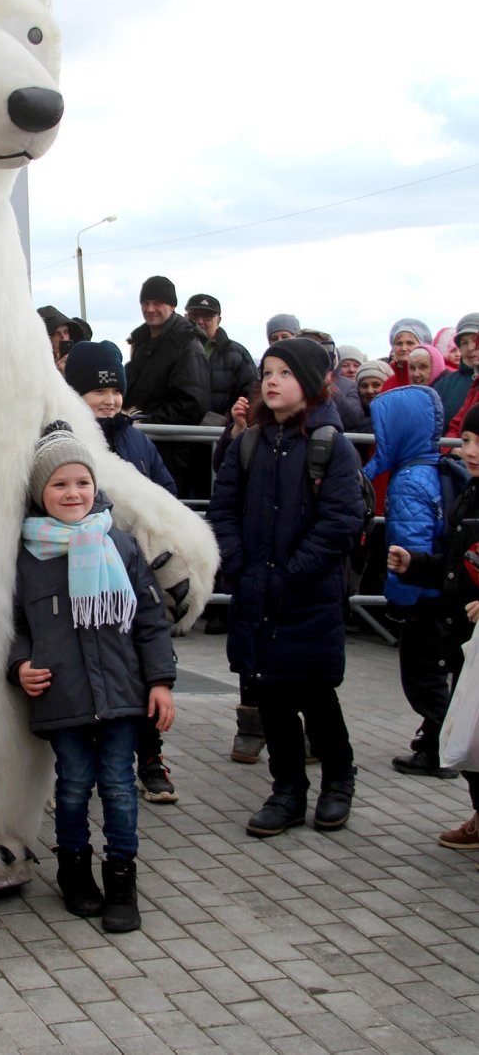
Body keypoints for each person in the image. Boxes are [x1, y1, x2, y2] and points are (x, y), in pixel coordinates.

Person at [8, 421, 176, 933]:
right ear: (41, 493)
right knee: (75, 787)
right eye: (59, 484)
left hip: (123, 695)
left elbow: (149, 620)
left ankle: (122, 879)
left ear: (95, 487)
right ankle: (74, 872)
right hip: (65, 698)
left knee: (121, 789)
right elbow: (13, 625)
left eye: (82, 482)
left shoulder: (120, 546)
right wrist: (18, 667)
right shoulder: (27, 557)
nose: (73, 493)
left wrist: (161, 681)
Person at [208, 338, 363, 837]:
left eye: (284, 373)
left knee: (316, 696)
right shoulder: (250, 442)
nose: (271, 382)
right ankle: (288, 790)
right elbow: (224, 508)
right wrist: (238, 562)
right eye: (266, 373)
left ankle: (338, 779)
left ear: (312, 384)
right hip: (257, 594)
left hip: (307, 597)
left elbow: (341, 520)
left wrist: (293, 572)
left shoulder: (330, 445)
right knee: (270, 699)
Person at [64, 339, 178, 805]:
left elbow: (164, 495)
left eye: (114, 390)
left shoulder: (137, 440)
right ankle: (76, 767)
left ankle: (150, 758)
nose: (108, 399)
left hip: (133, 574)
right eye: (96, 391)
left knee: (145, 668)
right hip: (83, 575)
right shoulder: (65, 439)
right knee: (83, 674)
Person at [387, 403, 479, 849]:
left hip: (464, 626)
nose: (470, 451)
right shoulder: (469, 488)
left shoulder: (429, 480)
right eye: (467, 441)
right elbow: (456, 564)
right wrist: (416, 565)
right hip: (461, 628)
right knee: (468, 721)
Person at [363, 387, 453, 775]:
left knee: (423, 678)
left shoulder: (408, 480)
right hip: (441, 593)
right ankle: (436, 742)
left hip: (423, 598)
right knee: (433, 673)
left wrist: (400, 601)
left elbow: (408, 551)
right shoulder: (435, 469)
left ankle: (441, 750)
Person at [124, 275, 210, 495]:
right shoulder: (142, 341)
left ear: (172, 305)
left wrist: (144, 422)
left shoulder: (187, 344)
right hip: (143, 444)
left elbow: (192, 403)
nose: (150, 309)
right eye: (146, 302)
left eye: (157, 302)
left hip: (170, 451)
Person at [184, 293, 258, 418]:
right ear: (185, 317)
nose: (200, 321)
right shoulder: (169, 350)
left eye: (207, 317)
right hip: (172, 432)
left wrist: (224, 422)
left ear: (218, 320)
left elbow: (251, 396)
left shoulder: (238, 355)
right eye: (194, 315)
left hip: (221, 433)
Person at [437, 313, 479, 436]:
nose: (471, 347)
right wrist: (449, 449)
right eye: (464, 343)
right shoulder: (445, 384)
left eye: (475, 340)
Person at [381, 318, 432, 392]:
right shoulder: (388, 384)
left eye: (410, 343)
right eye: (399, 343)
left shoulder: (431, 379)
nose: (404, 348)